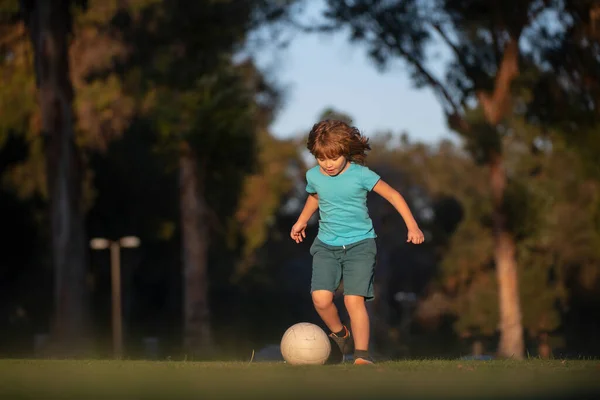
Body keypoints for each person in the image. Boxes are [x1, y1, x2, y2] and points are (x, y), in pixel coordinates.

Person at [290, 120, 425, 365]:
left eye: (333, 158)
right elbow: (315, 198)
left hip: (360, 245)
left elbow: (393, 195)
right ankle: (341, 334)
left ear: (345, 151)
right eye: (321, 159)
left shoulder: (361, 174)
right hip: (326, 245)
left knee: (354, 300)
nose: (327, 165)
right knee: (321, 299)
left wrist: (412, 225)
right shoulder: (313, 175)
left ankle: (361, 356)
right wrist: (301, 221)